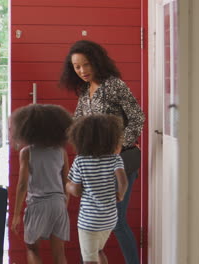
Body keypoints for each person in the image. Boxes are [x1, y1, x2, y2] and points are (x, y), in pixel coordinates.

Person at [59, 40, 145, 264]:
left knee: (118, 221)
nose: (82, 71)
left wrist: (120, 142)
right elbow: (78, 123)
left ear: (97, 62)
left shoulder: (114, 85)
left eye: (86, 65)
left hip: (121, 160)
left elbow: (137, 117)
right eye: (77, 67)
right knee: (100, 221)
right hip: (94, 164)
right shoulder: (85, 91)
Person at [9, 104, 72, 264]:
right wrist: (65, 203)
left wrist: (16, 214)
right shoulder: (61, 151)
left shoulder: (27, 152)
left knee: (32, 248)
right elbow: (67, 181)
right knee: (59, 254)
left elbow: (22, 185)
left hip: (37, 204)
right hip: (58, 204)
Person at [66, 114, 128, 264]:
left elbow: (76, 190)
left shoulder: (80, 161)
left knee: (89, 259)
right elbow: (123, 181)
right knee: (98, 250)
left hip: (89, 221)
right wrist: (120, 195)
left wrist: (66, 185)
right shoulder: (115, 159)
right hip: (109, 218)